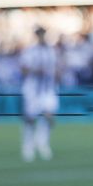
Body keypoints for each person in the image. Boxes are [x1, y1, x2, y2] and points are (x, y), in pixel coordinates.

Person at [19, 26, 58, 162]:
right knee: (30, 118)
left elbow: (55, 68)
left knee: (49, 116)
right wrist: (35, 71)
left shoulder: (50, 51)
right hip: (33, 89)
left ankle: (42, 143)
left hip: (47, 89)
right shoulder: (30, 51)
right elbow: (23, 69)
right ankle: (28, 145)